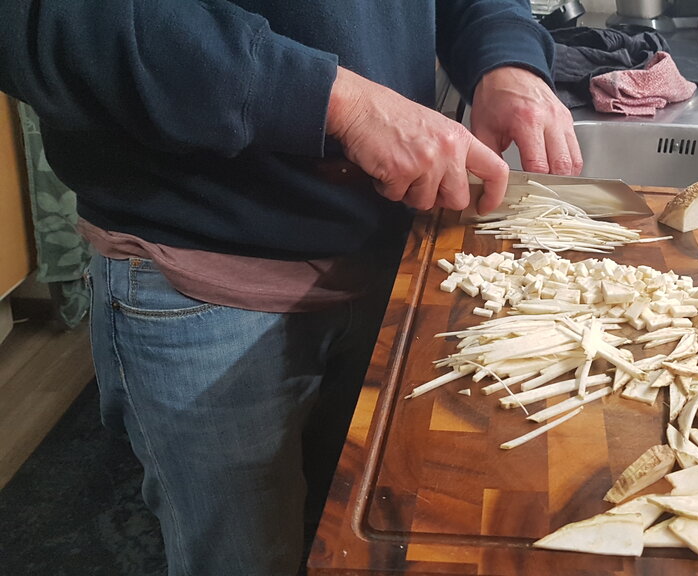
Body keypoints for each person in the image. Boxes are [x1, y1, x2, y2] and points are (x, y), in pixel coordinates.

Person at [0, 2, 582, 574]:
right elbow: (46, 19)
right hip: (200, 269)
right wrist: (339, 102)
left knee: (360, 534)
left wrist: (506, 58)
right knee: (242, 558)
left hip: (395, 252)